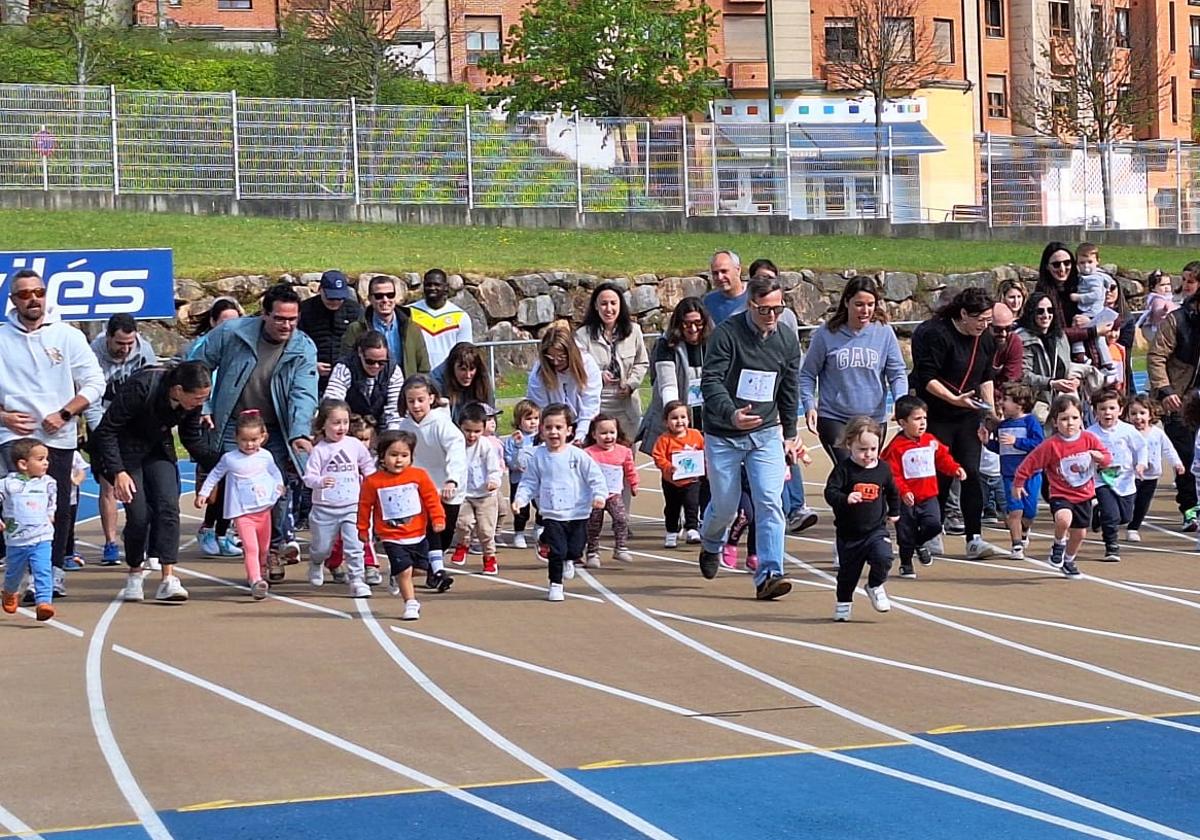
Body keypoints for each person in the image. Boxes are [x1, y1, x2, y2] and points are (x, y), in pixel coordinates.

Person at [195, 283, 319, 582]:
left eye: (292, 319)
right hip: (230, 423)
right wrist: (204, 406)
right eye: (279, 318)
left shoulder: (303, 347)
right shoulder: (232, 333)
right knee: (226, 484)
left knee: (275, 489)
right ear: (264, 314)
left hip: (273, 428)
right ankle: (220, 531)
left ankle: (271, 550)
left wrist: (300, 432)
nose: (286, 325)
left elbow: (305, 393)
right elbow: (197, 363)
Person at [0, 268, 104, 600]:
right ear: (13, 301)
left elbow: (94, 383)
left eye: (39, 292)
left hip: (58, 436)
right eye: (24, 294)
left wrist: (65, 413)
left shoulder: (68, 336)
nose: (33, 299)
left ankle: (51, 571)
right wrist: (3, 416)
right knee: (17, 506)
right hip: (12, 436)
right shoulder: (2, 338)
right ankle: (23, 570)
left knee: (54, 505)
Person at [696, 275, 801, 601]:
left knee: (769, 502)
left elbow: (789, 386)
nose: (771, 316)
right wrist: (731, 414)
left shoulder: (786, 339)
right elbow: (710, 381)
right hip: (725, 433)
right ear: (750, 305)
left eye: (777, 309)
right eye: (764, 309)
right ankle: (711, 542)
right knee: (726, 507)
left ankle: (770, 573)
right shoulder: (726, 334)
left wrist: (791, 434)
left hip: (766, 432)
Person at [93, 362, 215, 604]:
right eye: (197, 397)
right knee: (139, 515)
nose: (200, 403)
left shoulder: (192, 406)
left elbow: (191, 439)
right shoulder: (141, 387)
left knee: (169, 506)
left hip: (158, 448)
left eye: (205, 397)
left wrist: (222, 464)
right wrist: (118, 471)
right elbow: (107, 431)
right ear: (178, 390)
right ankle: (135, 572)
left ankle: (168, 577)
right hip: (124, 450)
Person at [910, 286, 1001, 560]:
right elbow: (926, 377)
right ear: (963, 314)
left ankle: (974, 538)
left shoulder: (985, 338)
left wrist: (990, 412)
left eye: (988, 320)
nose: (984, 325)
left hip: (968, 415)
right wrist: (954, 399)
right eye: (979, 320)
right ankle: (931, 531)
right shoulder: (936, 334)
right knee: (940, 473)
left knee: (970, 472)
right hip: (937, 414)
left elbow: (986, 376)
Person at [800, 277, 908, 464]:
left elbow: (897, 372)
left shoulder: (884, 332)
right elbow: (808, 374)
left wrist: (900, 401)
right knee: (847, 469)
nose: (865, 310)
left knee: (866, 471)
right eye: (859, 304)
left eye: (870, 304)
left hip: (873, 418)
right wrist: (809, 405)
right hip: (835, 417)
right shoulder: (827, 333)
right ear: (846, 302)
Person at [85, 312, 159, 568]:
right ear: (108, 338)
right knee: (108, 486)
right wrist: (102, 435)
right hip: (104, 420)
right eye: (120, 344)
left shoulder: (144, 351)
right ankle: (110, 543)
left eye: (130, 344)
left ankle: (144, 540)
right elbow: (90, 400)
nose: (126, 350)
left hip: (135, 424)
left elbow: (153, 389)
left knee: (142, 485)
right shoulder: (92, 354)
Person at [512, 403, 607, 603]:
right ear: (542, 430)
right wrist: (520, 499)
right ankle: (555, 585)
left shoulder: (578, 456)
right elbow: (529, 481)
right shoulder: (538, 456)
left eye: (558, 428)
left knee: (574, 550)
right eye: (548, 428)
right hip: (552, 512)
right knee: (557, 552)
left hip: (578, 512)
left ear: (569, 430)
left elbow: (595, 478)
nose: (553, 432)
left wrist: (599, 495)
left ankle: (561, 553)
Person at [1014, 394, 1112, 578]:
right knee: (1063, 520)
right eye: (1064, 419)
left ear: (1081, 419)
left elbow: (1107, 458)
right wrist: (1019, 482)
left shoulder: (1089, 439)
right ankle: (1058, 544)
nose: (1070, 423)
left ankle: (1068, 560)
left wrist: (1101, 458)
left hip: (1084, 495)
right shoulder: (1051, 445)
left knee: (1080, 534)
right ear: (1055, 422)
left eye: (1074, 418)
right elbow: (1030, 463)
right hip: (1061, 494)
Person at [196, 410, 285, 600]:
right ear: (236, 438)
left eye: (254, 439)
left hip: (264, 511)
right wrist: (204, 493)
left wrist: (279, 487)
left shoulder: (266, 456)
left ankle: (259, 573)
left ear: (263, 437)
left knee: (263, 548)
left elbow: (275, 473)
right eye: (244, 440)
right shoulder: (230, 459)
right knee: (251, 548)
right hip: (243, 514)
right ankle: (255, 580)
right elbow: (214, 475)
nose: (249, 444)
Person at [358, 430, 445, 622]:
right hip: (391, 536)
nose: (399, 460)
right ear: (382, 457)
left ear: (412, 457)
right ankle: (411, 603)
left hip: (418, 534)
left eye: (404, 456)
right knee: (405, 570)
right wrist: (363, 529)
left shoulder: (419, 476)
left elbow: (431, 499)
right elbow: (365, 506)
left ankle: (396, 575)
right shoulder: (373, 482)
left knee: (420, 570)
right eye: (393, 455)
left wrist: (438, 518)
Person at [880, 396, 965, 580]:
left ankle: (919, 543)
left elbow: (943, 458)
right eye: (917, 419)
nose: (922, 423)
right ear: (903, 422)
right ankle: (906, 563)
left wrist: (955, 468)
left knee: (934, 525)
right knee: (905, 533)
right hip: (906, 500)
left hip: (928, 496)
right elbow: (892, 475)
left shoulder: (930, 441)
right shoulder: (896, 448)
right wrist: (904, 491)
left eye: (924, 418)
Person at [825, 417, 900, 622]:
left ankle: (875, 584)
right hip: (849, 534)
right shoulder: (843, 470)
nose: (868, 455)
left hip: (876, 530)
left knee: (884, 557)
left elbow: (893, 491)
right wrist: (845, 498)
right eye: (862, 449)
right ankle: (844, 603)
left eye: (873, 449)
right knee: (848, 575)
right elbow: (830, 492)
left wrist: (895, 511)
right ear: (849, 445)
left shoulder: (883, 469)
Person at [186, 297, 245, 559]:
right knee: (218, 476)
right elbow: (194, 380)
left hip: (237, 418)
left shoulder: (244, 345)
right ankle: (209, 528)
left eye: (235, 322)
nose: (230, 329)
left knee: (236, 477)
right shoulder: (203, 348)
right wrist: (205, 409)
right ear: (213, 323)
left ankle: (224, 530)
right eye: (224, 323)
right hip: (210, 420)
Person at [301, 398, 374, 597]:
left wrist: (371, 480)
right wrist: (320, 481)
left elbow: (367, 464)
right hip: (325, 508)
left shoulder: (354, 445)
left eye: (345, 422)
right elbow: (308, 477)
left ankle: (357, 580)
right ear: (323, 424)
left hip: (352, 505)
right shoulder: (319, 451)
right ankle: (316, 562)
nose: (341, 427)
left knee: (355, 544)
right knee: (322, 547)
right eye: (336, 422)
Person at [396, 374, 462, 592]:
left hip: (447, 485)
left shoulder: (442, 424)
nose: (416, 405)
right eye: (411, 400)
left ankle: (430, 566)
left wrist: (452, 479)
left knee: (446, 531)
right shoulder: (404, 426)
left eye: (420, 400)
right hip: (420, 487)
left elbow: (456, 450)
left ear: (431, 399)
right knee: (433, 526)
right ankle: (437, 570)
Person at [1146, 288, 1200, 529]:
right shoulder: (1176, 320)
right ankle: (1190, 508)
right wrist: (1165, 390)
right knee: (1186, 455)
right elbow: (1156, 356)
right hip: (1179, 398)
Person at [576, 283, 649, 458]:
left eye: (613, 303)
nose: (609, 309)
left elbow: (642, 362)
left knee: (625, 459)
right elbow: (578, 368)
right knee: (598, 457)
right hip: (597, 404)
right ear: (595, 306)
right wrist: (598, 376)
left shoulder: (634, 331)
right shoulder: (582, 335)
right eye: (604, 303)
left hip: (626, 405)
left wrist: (631, 384)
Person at [639, 298, 712, 456]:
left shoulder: (714, 343)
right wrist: (676, 417)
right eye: (686, 324)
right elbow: (667, 384)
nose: (693, 329)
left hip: (708, 418)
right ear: (678, 323)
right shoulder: (666, 345)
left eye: (698, 323)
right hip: (677, 417)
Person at [1085, 389, 1147, 563]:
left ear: (1120, 410)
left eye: (1112, 408)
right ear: (1095, 411)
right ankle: (1111, 546)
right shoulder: (1091, 433)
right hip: (1102, 480)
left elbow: (1141, 448)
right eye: (1102, 409)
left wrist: (1141, 464)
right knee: (1111, 515)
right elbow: (1082, 454)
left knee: (1125, 517)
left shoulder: (1128, 431)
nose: (1107, 413)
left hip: (1126, 480)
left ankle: (1098, 513)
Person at [0, 438, 57, 622]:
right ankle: (9, 591)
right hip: (16, 540)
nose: (46, 463)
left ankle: (44, 603)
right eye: (40, 459)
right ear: (23, 464)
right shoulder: (8, 484)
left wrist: (50, 514)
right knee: (13, 573)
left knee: (43, 570)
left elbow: (51, 502)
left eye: (46, 458)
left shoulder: (48, 482)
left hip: (42, 537)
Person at [989, 381, 1044, 559]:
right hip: (1010, 476)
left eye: (1006, 399)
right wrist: (987, 442)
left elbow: (1039, 444)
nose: (1001, 403)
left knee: (1030, 512)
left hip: (1031, 475)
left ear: (1019, 404)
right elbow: (1001, 449)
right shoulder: (1002, 426)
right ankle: (1016, 545)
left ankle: (1025, 529)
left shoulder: (1030, 421)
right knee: (1014, 511)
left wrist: (1017, 442)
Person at [449, 402, 504, 576]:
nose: (472, 435)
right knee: (463, 523)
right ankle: (463, 544)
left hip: (485, 495)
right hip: (464, 493)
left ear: (483, 429)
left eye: (477, 431)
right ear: (460, 427)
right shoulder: (456, 444)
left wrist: (493, 480)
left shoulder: (486, 445)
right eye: (468, 430)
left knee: (486, 529)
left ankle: (489, 558)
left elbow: (494, 467)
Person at [526, 321, 603, 441]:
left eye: (561, 358)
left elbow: (590, 404)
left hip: (583, 425)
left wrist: (580, 436)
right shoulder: (538, 371)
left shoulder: (588, 364)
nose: (556, 362)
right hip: (552, 428)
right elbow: (540, 407)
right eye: (551, 358)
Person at [342, 274, 430, 378]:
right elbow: (345, 365)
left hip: (405, 390)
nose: (385, 300)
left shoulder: (411, 328)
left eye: (390, 295)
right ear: (370, 298)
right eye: (379, 296)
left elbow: (424, 368)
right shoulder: (356, 329)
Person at [1125, 393, 1184, 542]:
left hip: (1151, 476)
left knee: (1143, 504)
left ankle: (1133, 528)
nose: (1138, 417)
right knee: (1127, 502)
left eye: (1142, 413)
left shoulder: (1158, 434)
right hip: (1130, 475)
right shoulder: (1127, 433)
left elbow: (1169, 450)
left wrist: (1177, 463)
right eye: (1133, 414)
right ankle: (1111, 516)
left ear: (1151, 414)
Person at [582, 413, 637, 566]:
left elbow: (630, 469)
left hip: (614, 494)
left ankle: (621, 548)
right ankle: (592, 552)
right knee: (593, 524)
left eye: (612, 432)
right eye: (603, 433)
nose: (608, 437)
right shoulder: (588, 453)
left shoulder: (623, 451)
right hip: (594, 497)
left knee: (621, 518)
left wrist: (634, 484)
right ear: (594, 435)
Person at [1015, 292, 1077, 424]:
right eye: (1040, 311)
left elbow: (1066, 365)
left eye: (1050, 310)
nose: (1046, 315)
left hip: (1059, 402)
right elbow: (1023, 375)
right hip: (1034, 405)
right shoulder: (1022, 339)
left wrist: (1072, 380)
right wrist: (1051, 383)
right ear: (1032, 313)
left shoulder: (1059, 336)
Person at [297, 270, 363, 394]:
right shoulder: (305, 310)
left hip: (347, 379)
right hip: (311, 378)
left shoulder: (355, 311)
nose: (335, 302)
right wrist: (310, 365)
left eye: (339, 298)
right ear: (320, 289)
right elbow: (294, 344)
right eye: (330, 297)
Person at [325, 331, 404, 431]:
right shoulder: (344, 368)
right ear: (360, 352)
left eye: (382, 362)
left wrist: (391, 438)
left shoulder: (393, 371)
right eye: (370, 361)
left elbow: (395, 411)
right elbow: (333, 403)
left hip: (381, 428)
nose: (376, 366)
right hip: (348, 428)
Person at [652, 400, 705, 548]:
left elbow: (704, 452)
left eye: (683, 417)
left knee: (692, 504)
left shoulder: (696, 435)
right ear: (666, 421)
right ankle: (671, 532)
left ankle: (692, 528)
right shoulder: (664, 440)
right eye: (674, 418)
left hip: (692, 480)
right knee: (672, 508)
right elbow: (658, 457)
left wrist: (706, 467)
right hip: (671, 482)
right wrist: (668, 466)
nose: (679, 421)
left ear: (689, 419)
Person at [407, 268, 473, 369]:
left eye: (437, 285)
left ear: (446, 287)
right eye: (428, 285)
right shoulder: (409, 312)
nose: (432, 288)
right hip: (418, 377)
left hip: (447, 377)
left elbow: (464, 353)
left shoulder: (460, 316)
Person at [504, 399, 540, 549]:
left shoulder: (541, 437)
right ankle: (519, 533)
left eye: (536, 418)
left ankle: (539, 526)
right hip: (519, 479)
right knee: (520, 508)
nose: (533, 422)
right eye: (528, 419)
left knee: (543, 506)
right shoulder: (514, 439)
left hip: (539, 479)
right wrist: (518, 455)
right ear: (519, 421)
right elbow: (510, 460)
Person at [431, 342, 495, 424]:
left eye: (472, 369)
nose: (468, 375)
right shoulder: (436, 382)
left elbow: (490, 413)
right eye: (463, 369)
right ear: (452, 367)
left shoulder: (482, 378)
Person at [702, 250, 748, 325]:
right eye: (715, 273)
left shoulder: (755, 296)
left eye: (724, 271)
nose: (720, 277)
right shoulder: (708, 302)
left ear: (738, 270)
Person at [1136, 270, 1178, 347]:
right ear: (1153, 288)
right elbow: (1157, 310)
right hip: (1157, 330)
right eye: (1162, 285)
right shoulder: (1157, 299)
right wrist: (1164, 310)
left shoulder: (1168, 298)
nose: (1166, 287)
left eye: (1168, 284)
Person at [989, 302, 1023, 388]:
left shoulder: (1014, 341)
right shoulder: (977, 341)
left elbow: (1011, 382)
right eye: (998, 329)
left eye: (1008, 328)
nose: (1003, 334)